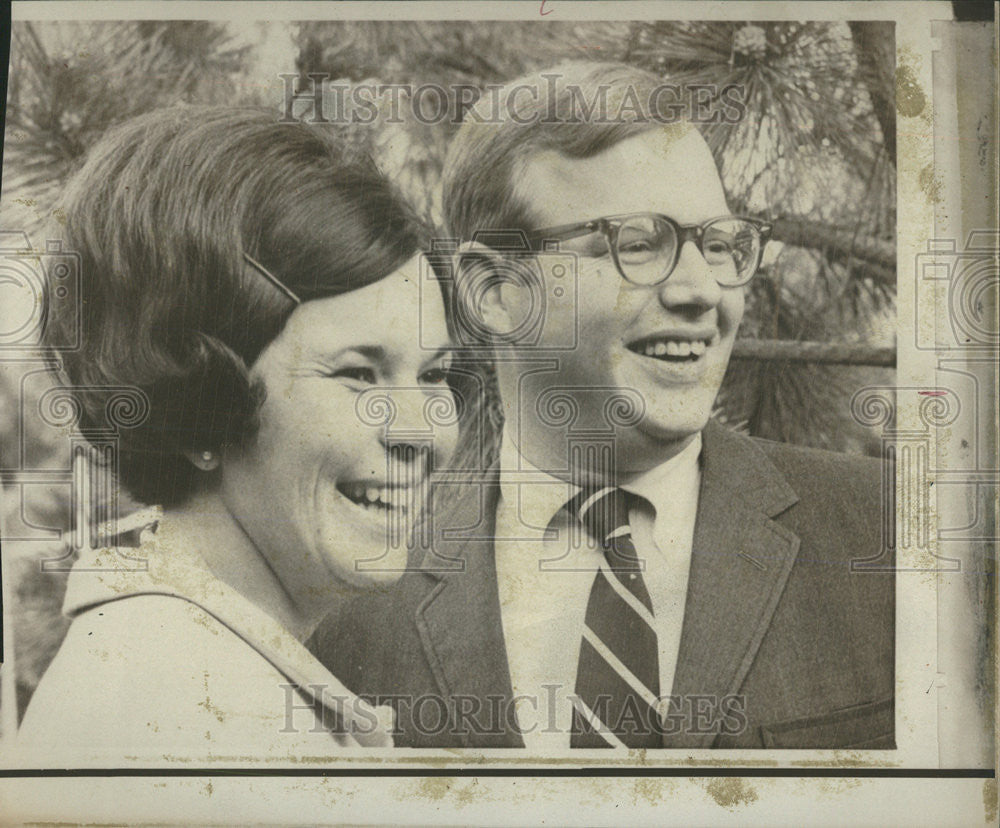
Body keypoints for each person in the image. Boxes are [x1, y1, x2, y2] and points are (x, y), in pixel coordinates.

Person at [312, 62, 895, 750]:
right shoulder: (353, 590)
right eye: (639, 244)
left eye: (719, 244)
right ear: (493, 290)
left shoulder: (893, 536)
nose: (701, 292)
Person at [17, 107, 460, 760]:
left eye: (435, 374)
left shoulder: (187, 664)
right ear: (201, 402)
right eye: (360, 375)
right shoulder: (192, 717)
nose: (422, 432)